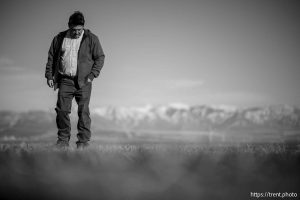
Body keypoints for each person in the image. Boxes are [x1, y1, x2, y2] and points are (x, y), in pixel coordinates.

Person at [45, 11, 105, 149]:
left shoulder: (91, 38)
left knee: (83, 111)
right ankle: (63, 141)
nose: (77, 33)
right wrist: (49, 75)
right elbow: (51, 58)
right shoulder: (59, 38)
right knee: (62, 111)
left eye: (80, 30)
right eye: (74, 30)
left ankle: (83, 143)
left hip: (84, 81)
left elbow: (100, 57)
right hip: (65, 80)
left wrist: (92, 75)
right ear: (69, 26)